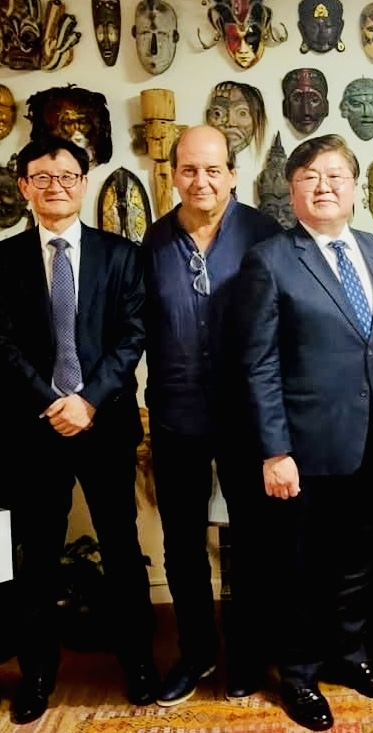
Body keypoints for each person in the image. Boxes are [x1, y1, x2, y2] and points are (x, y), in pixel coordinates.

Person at [235, 134, 373, 732]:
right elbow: (257, 362)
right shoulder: (271, 259)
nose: (324, 186)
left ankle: (352, 655)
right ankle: (302, 675)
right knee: (301, 568)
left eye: (335, 175)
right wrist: (274, 449)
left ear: (354, 187)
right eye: (310, 176)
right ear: (293, 189)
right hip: (303, 450)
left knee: (360, 561)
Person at [0, 137, 158, 724]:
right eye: (42, 177)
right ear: (25, 188)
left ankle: (139, 662)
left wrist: (88, 400)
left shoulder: (120, 256)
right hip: (33, 429)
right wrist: (51, 401)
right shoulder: (5, 260)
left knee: (121, 546)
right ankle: (38, 673)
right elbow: (4, 344)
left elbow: (132, 336)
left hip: (106, 422)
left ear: (84, 180)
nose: (55, 186)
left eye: (66, 175)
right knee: (36, 554)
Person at [141, 125, 282, 706]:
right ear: (174, 173)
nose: (201, 180)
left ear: (232, 174)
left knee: (251, 542)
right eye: (190, 169)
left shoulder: (264, 235)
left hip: (248, 418)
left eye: (213, 169)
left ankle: (246, 653)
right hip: (176, 417)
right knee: (181, 542)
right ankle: (197, 652)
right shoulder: (151, 242)